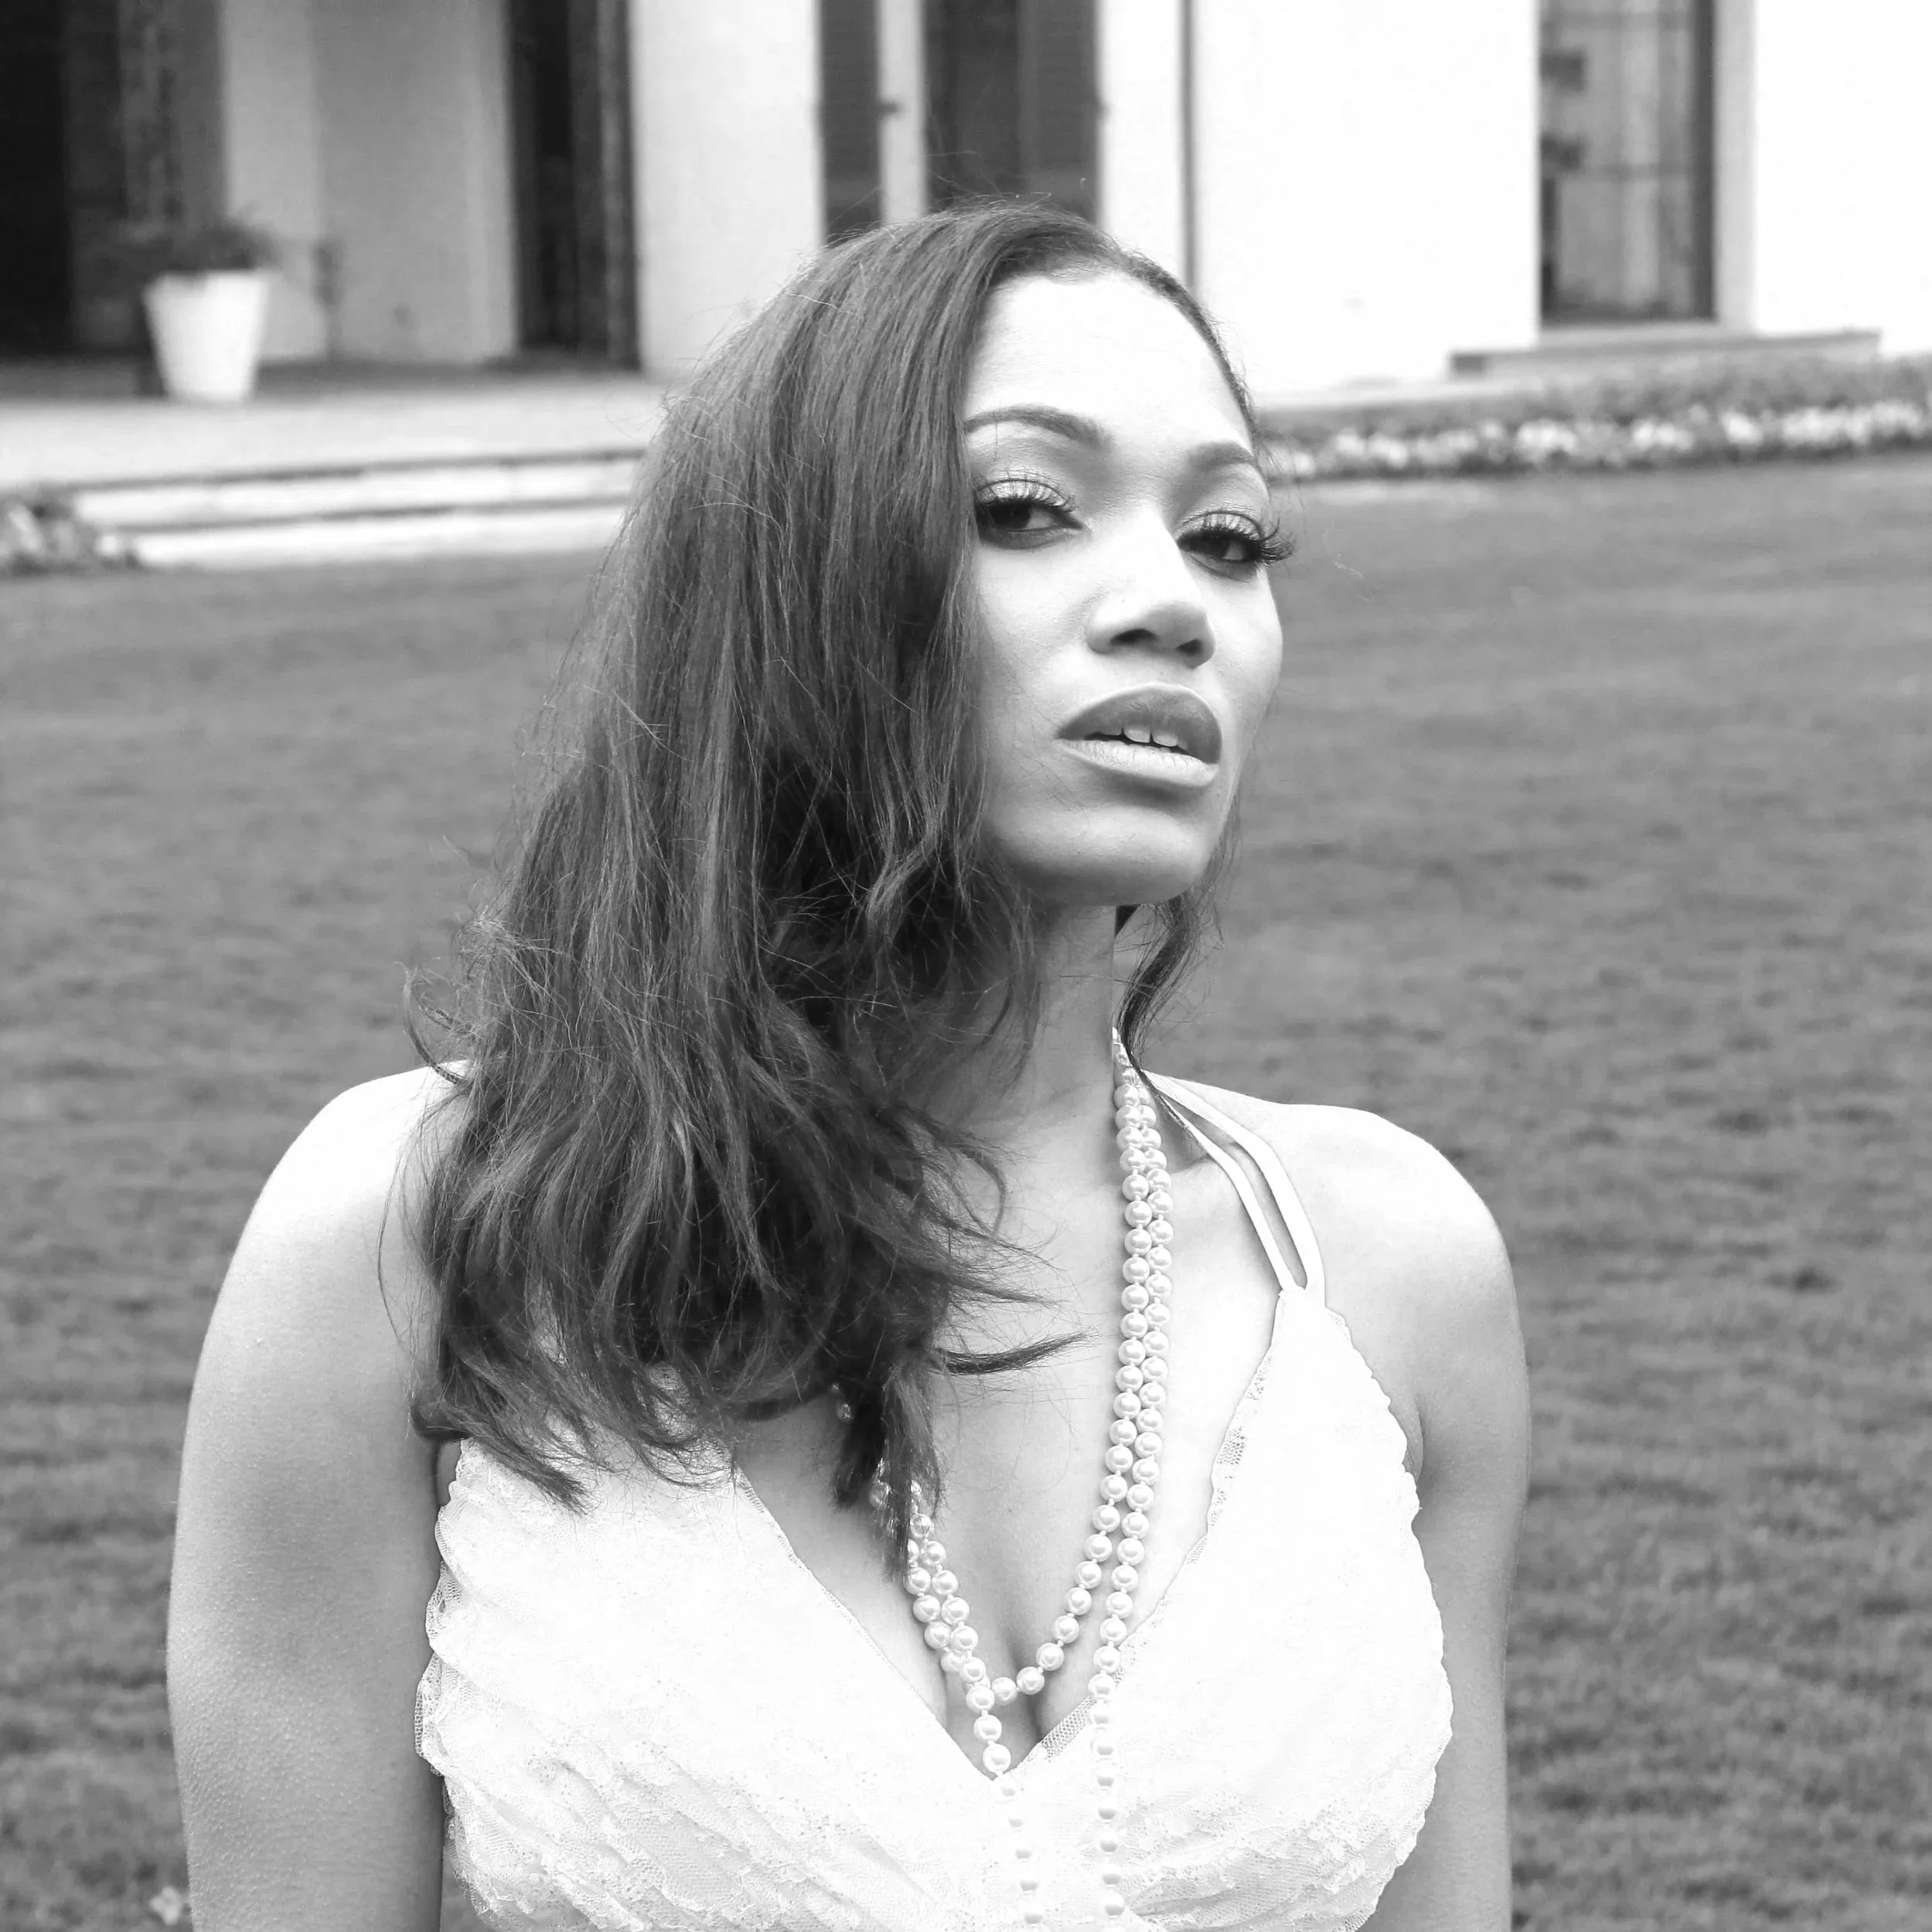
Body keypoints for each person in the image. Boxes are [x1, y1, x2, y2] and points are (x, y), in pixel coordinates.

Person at [168, 203, 1529, 1932]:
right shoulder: (411, 1247)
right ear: (786, 587)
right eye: (1025, 508)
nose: (1170, 604)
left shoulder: (1387, 1275)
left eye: (1229, 534)